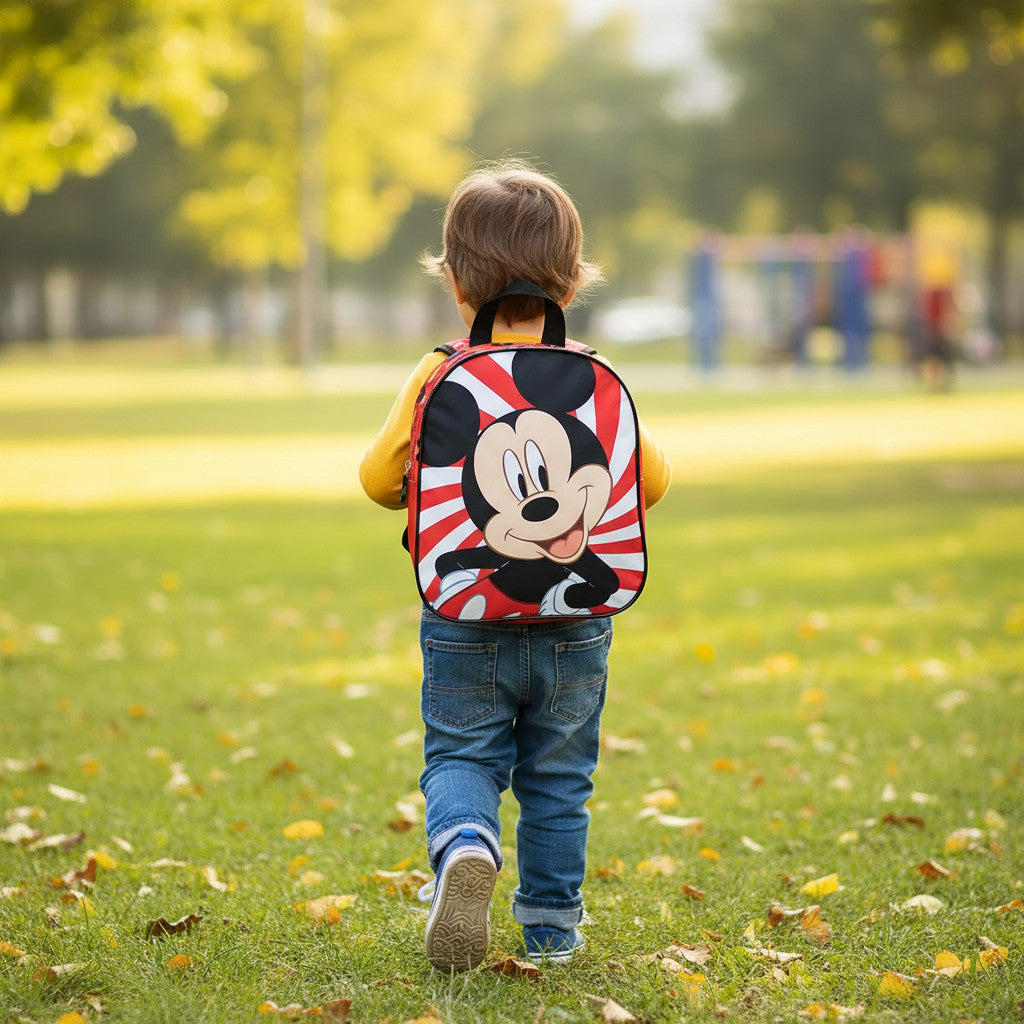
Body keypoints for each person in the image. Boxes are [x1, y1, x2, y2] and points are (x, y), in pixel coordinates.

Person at [359, 161, 672, 971]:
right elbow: (652, 482)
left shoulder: (438, 371)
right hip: (578, 618)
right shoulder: (596, 374)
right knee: (560, 779)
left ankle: (467, 842)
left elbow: (378, 482)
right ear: (572, 279)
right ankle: (553, 932)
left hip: (465, 610)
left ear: (456, 281)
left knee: (461, 756)